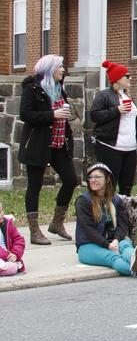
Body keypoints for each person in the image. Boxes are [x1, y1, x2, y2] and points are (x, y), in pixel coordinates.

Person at [18, 54, 79, 246]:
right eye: (60, 67)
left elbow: (62, 113)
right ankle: (35, 231)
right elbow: (26, 115)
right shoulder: (32, 88)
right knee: (34, 186)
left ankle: (57, 222)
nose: (63, 70)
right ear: (50, 69)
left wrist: (65, 116)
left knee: (71, 180)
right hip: (38, 145)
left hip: (59, 144)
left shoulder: (59, 89)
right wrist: (52, 114)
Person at [75, 162, 137, 278]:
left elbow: (122, 225)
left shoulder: (116, 200)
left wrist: (116, 240)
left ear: (108, 179)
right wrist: (107, 245)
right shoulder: (84, 201)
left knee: (125, 246)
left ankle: (135, 258)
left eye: (97, 177)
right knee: (113, 257)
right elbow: (88, 230)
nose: (92, 180)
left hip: (113, 240)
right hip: (88, 245)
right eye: (90, 177)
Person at [91, 60, 137, 196]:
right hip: (110, 146)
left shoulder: (128, 96)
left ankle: (122, 215)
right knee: (110, 185)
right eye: (127, 76)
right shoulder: (104, 95)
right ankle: (107, 215)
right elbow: (94, 115)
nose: (130, 78)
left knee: (127, 186)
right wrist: (116, 110)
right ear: (118, 78)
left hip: (130, 148)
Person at [0, 202, 26, 276]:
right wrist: (7, 256)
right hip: (5, 256)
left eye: (2, 211)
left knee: (13, 267)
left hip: (8, 257)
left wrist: (15, 254)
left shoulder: (7, 224)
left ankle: (6, 267)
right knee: (11, 267)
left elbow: (19, 240)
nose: (2, 213)